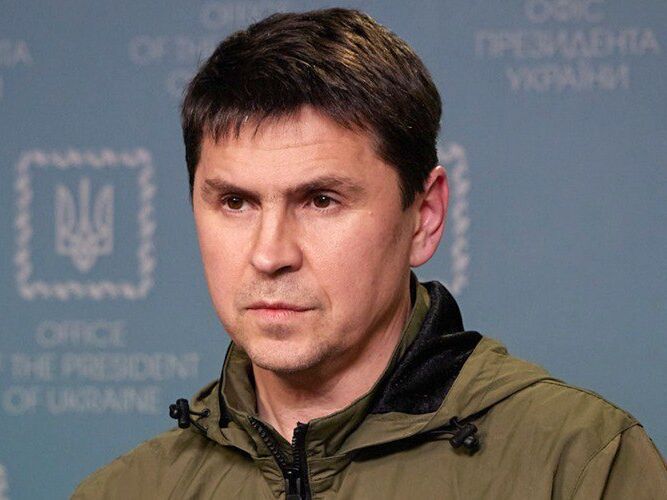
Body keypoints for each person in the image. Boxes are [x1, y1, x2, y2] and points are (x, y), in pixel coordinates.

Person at [73, 8, 666, 499]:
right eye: (235, 202)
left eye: (321, 200)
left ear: (424, 216)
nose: (270, 254)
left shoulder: (578, 466)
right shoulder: (124, 491)